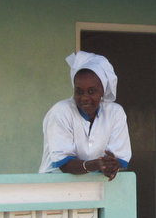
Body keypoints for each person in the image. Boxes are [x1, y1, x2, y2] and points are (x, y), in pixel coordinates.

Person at [38, 51, 131, 180]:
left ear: (102, 91)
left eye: (92, 91)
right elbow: (65, 164)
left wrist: (112, 165)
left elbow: (119, 158)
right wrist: (97, 164)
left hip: (96, 188)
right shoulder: (61, 112)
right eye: (79, 91)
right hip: (56, 185)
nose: (85, 98)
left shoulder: (115, 113)